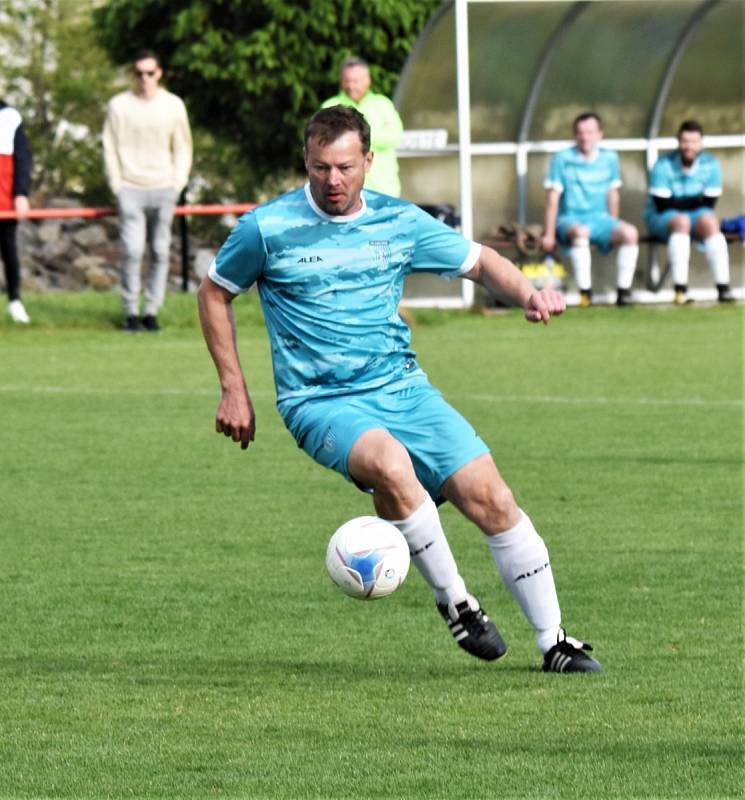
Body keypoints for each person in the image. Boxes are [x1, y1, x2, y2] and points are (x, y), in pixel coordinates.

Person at [198, 106, 602, 674]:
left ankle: (554, 640)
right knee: (389, 463)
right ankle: (457, 601)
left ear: (368, 161)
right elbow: (214, 293)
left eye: (343, 167)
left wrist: (529, 293)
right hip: (319, 401)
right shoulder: (266, 229)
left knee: (493, 498)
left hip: (403, 387)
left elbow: (482, 262)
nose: (331, 181)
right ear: (305, 163)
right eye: (318, 168)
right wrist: (233, 389)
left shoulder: (399, 221)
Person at [103, 49, 193, 332]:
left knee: (160, 250)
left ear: (159, 73)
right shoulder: (118, 105)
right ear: (133, 74)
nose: (145, 78)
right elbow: (109, 147)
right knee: (131, 250)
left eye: (150, 73)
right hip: (130, 187)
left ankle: (151, 311)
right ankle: (130, 311)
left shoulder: (173, 105)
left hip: (164, 186)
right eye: (139, 73)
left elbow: (183, 146)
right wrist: (116, 184)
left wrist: (177, 183)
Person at [541, 112, 639, 307]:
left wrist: (614, 224)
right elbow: (553, 198)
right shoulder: (562, 158)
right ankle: (585, 293)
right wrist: (549, 234)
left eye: (590, 132)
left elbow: (613, 194)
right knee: (581, 232)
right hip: (570, 219)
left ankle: (623, 292)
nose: (585, 137)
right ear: (575, 135)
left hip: (601, 219)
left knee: (630, 233)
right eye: (580, 132)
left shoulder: (610, 158)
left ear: (600, 134)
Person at [644, 120, 734, 305]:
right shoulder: (663, 164)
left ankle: (723, 288)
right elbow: (662, 204)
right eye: (685, 141)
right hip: (661, 218)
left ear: (701, 143)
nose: (689, 146)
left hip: (694, 216)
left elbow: (709, 202)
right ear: (678, 141)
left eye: (693, 141)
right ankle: (680, 289)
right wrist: (695, 200)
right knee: (681, 221)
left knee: (710, 222)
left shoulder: (710, 164)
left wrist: (678, 202)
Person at [321, 57, 404, 197]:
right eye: (347, 81)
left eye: (355, 81)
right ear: (341, 81)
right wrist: (374, 134)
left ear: (368, 80)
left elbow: (395, 135)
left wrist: (352, 137)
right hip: (343, 190)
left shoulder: (383, 104)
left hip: (384, 188)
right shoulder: (330, 106)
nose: (351, 86)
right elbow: (324, 142)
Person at [0, 99, 31, 323]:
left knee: (8, 250)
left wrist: (21, 193)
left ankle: (15, 301)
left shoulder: (10, 116)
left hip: (4, 200)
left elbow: (22, 159)